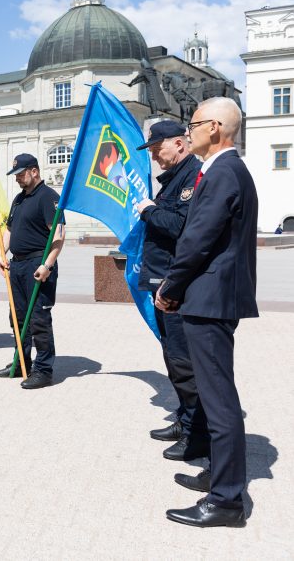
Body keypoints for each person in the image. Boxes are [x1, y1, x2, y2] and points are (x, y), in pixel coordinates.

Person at [156, 97, 258, 528]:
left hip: (210, 299)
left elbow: (196, 240)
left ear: (214, 127)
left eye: (193, 124)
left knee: (218, 399)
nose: (188, 130)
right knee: (217, 393)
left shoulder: (223, 173)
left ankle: (227, 500)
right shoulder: (222, 171)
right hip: (213, 297)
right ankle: (219, 475)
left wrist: (170, 286)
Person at [134, 120, 208, 461]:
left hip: (177, 287)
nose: (153, 156)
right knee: (173, 358)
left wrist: (150, 210)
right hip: (163, 282)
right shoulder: (175, 178)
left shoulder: (193, 176)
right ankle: (185, 419)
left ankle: (196, 435)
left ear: (179, 143)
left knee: (184, 363)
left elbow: (181, 227)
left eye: (156, 148)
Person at [0, 153, 64, 389]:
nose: (17, 179)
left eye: (21, 174)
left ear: (34, 171)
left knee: (39, 319)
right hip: (17, 265)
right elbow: (10, 230)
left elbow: (58, 235)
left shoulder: (48, 197)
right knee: (18, 317)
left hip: (38, 264)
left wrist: (48, 265)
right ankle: (21, 362)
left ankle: (43, 370)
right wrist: (0, 253)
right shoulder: (19, 199)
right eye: (15, 175)